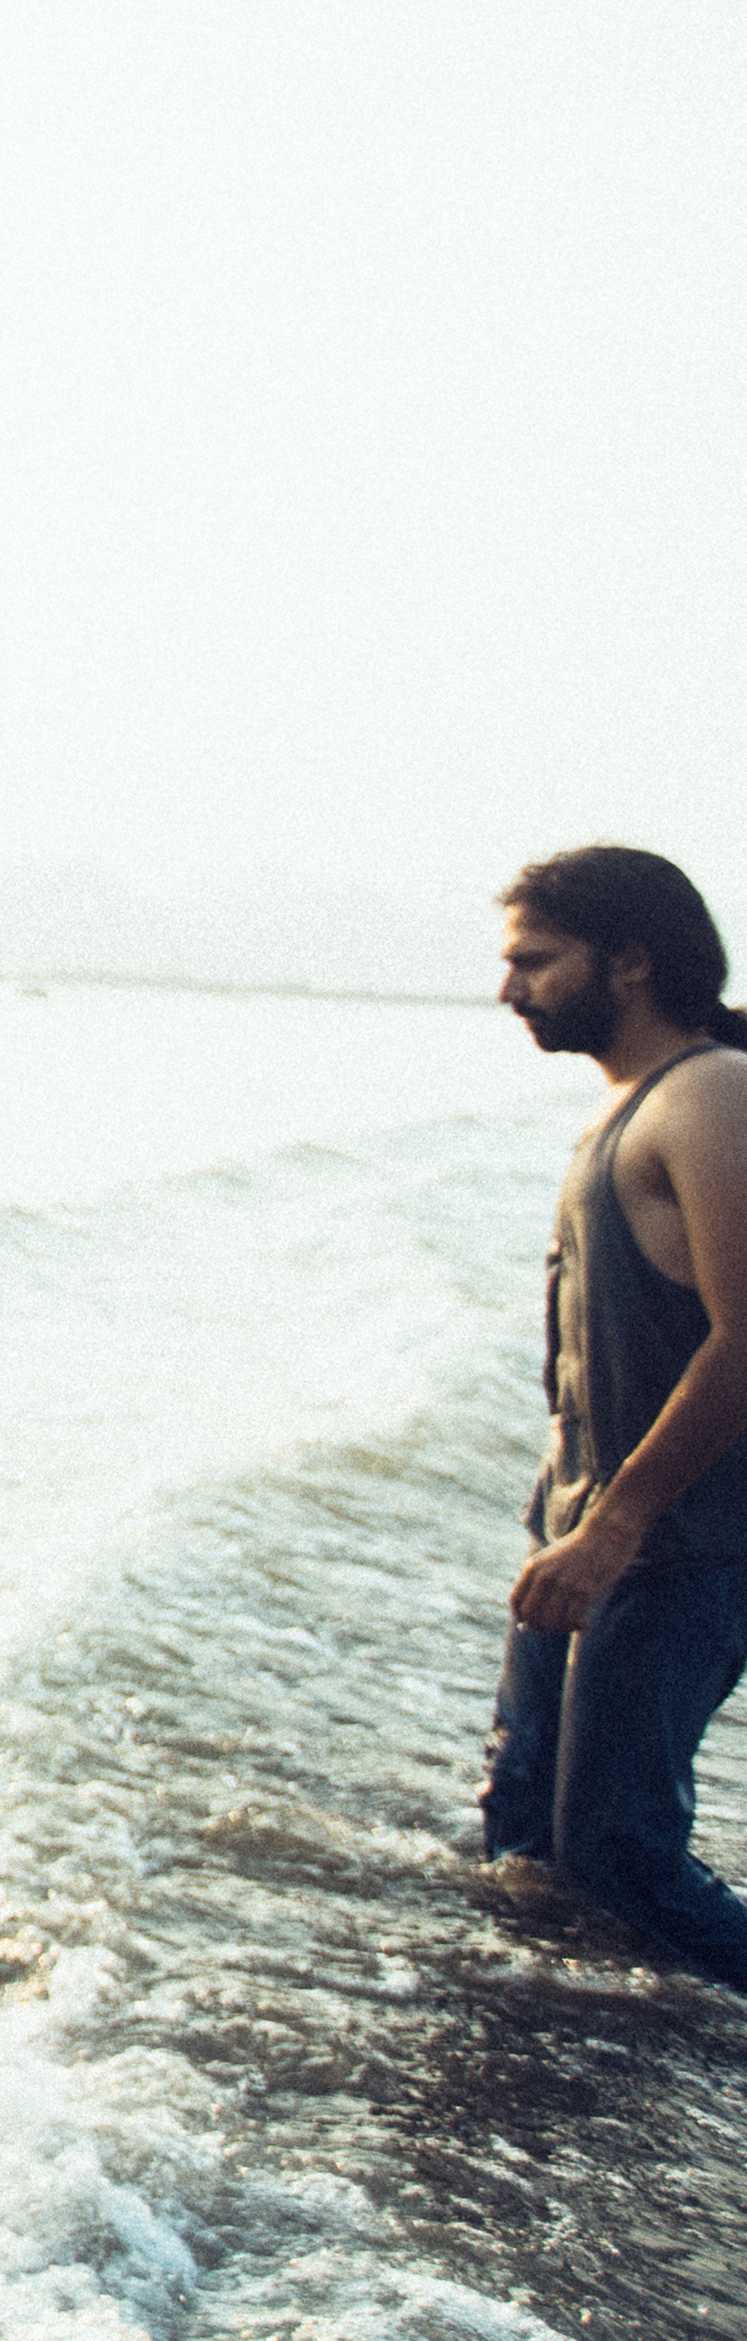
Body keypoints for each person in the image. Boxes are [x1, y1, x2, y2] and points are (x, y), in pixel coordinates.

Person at [482, 843, 747, 1988]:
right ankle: (556, 2065)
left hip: (676, 1545)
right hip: (589, 1529)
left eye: (536, 961)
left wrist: (616, 1526)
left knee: (617, 1856)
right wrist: (571, 1520)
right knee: (524, 1834)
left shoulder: (708, 1094)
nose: (510, 989)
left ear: (631, 960)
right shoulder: (626, 1107)